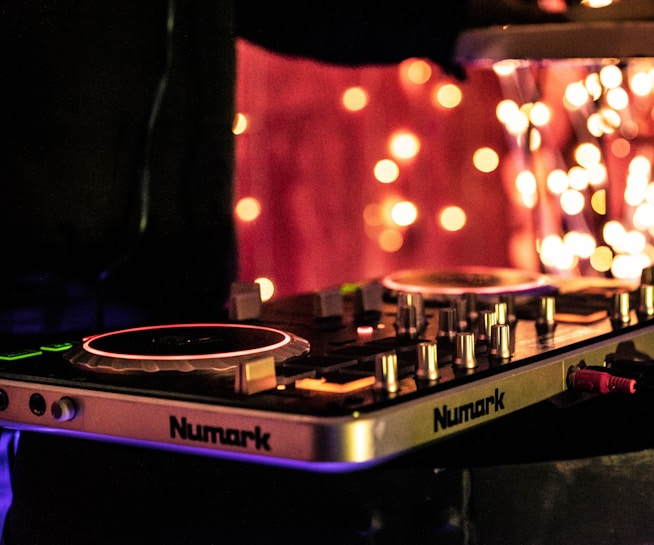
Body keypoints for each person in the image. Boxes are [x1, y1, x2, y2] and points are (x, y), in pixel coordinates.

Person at [0, 1, 560, 543]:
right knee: (51, 494)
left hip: (182, 271)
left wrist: (447, 18)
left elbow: (293, 9)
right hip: (26, 271)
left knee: (162, 499)